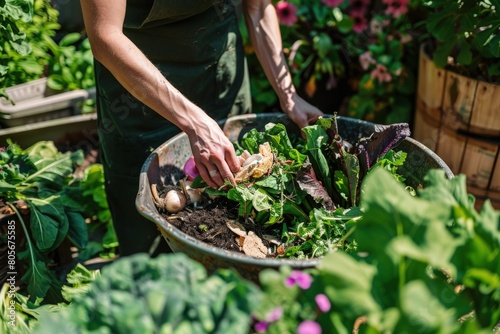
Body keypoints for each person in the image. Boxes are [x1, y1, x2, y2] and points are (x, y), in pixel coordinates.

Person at [80, 0, 324, 256]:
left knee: (243, 220)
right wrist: (195, 123)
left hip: (218, 71)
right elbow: (105, 36)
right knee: (154, 243)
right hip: (138, 91)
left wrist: (288, 95)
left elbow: (259, 7)